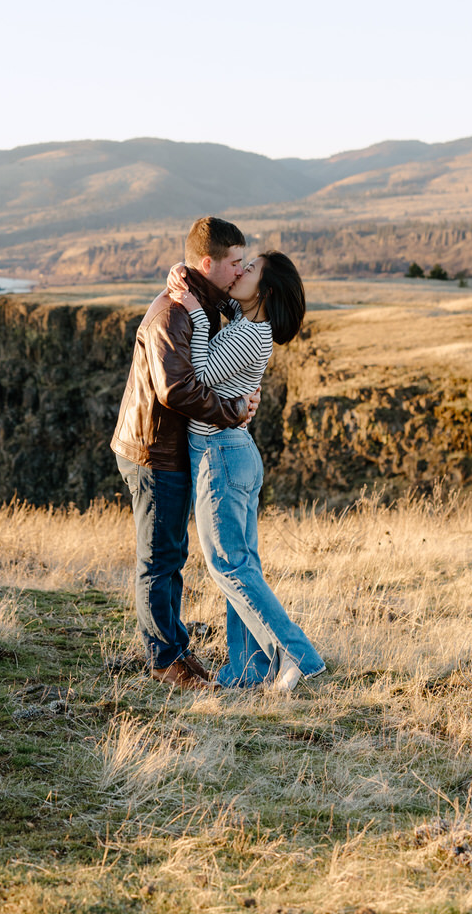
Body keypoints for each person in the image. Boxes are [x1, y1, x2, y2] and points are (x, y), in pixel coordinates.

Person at [111, 217, 260, 691]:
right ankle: (163, 662)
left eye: (244, 263)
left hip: (171, 447)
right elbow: (176, 389)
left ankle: (174, 650)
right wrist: (233, 411)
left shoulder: (204, 300)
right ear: (207, 263)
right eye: (234, 263)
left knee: (171, 553)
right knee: (160, 557)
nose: (240, 271)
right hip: (154, 450)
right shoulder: (175, 311)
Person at [167, 250, 326, 690]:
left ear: (266, 290)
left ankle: (299, 657)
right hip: (231, 451)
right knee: (241, 565)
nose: (240, 272)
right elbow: (225, 299)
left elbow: (198, 373)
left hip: (219, 453)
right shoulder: (249, 320)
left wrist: (196, 316)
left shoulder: (250, 335)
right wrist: (182, 274)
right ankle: (249, 671)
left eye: (250, 269)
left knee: (228, 566)